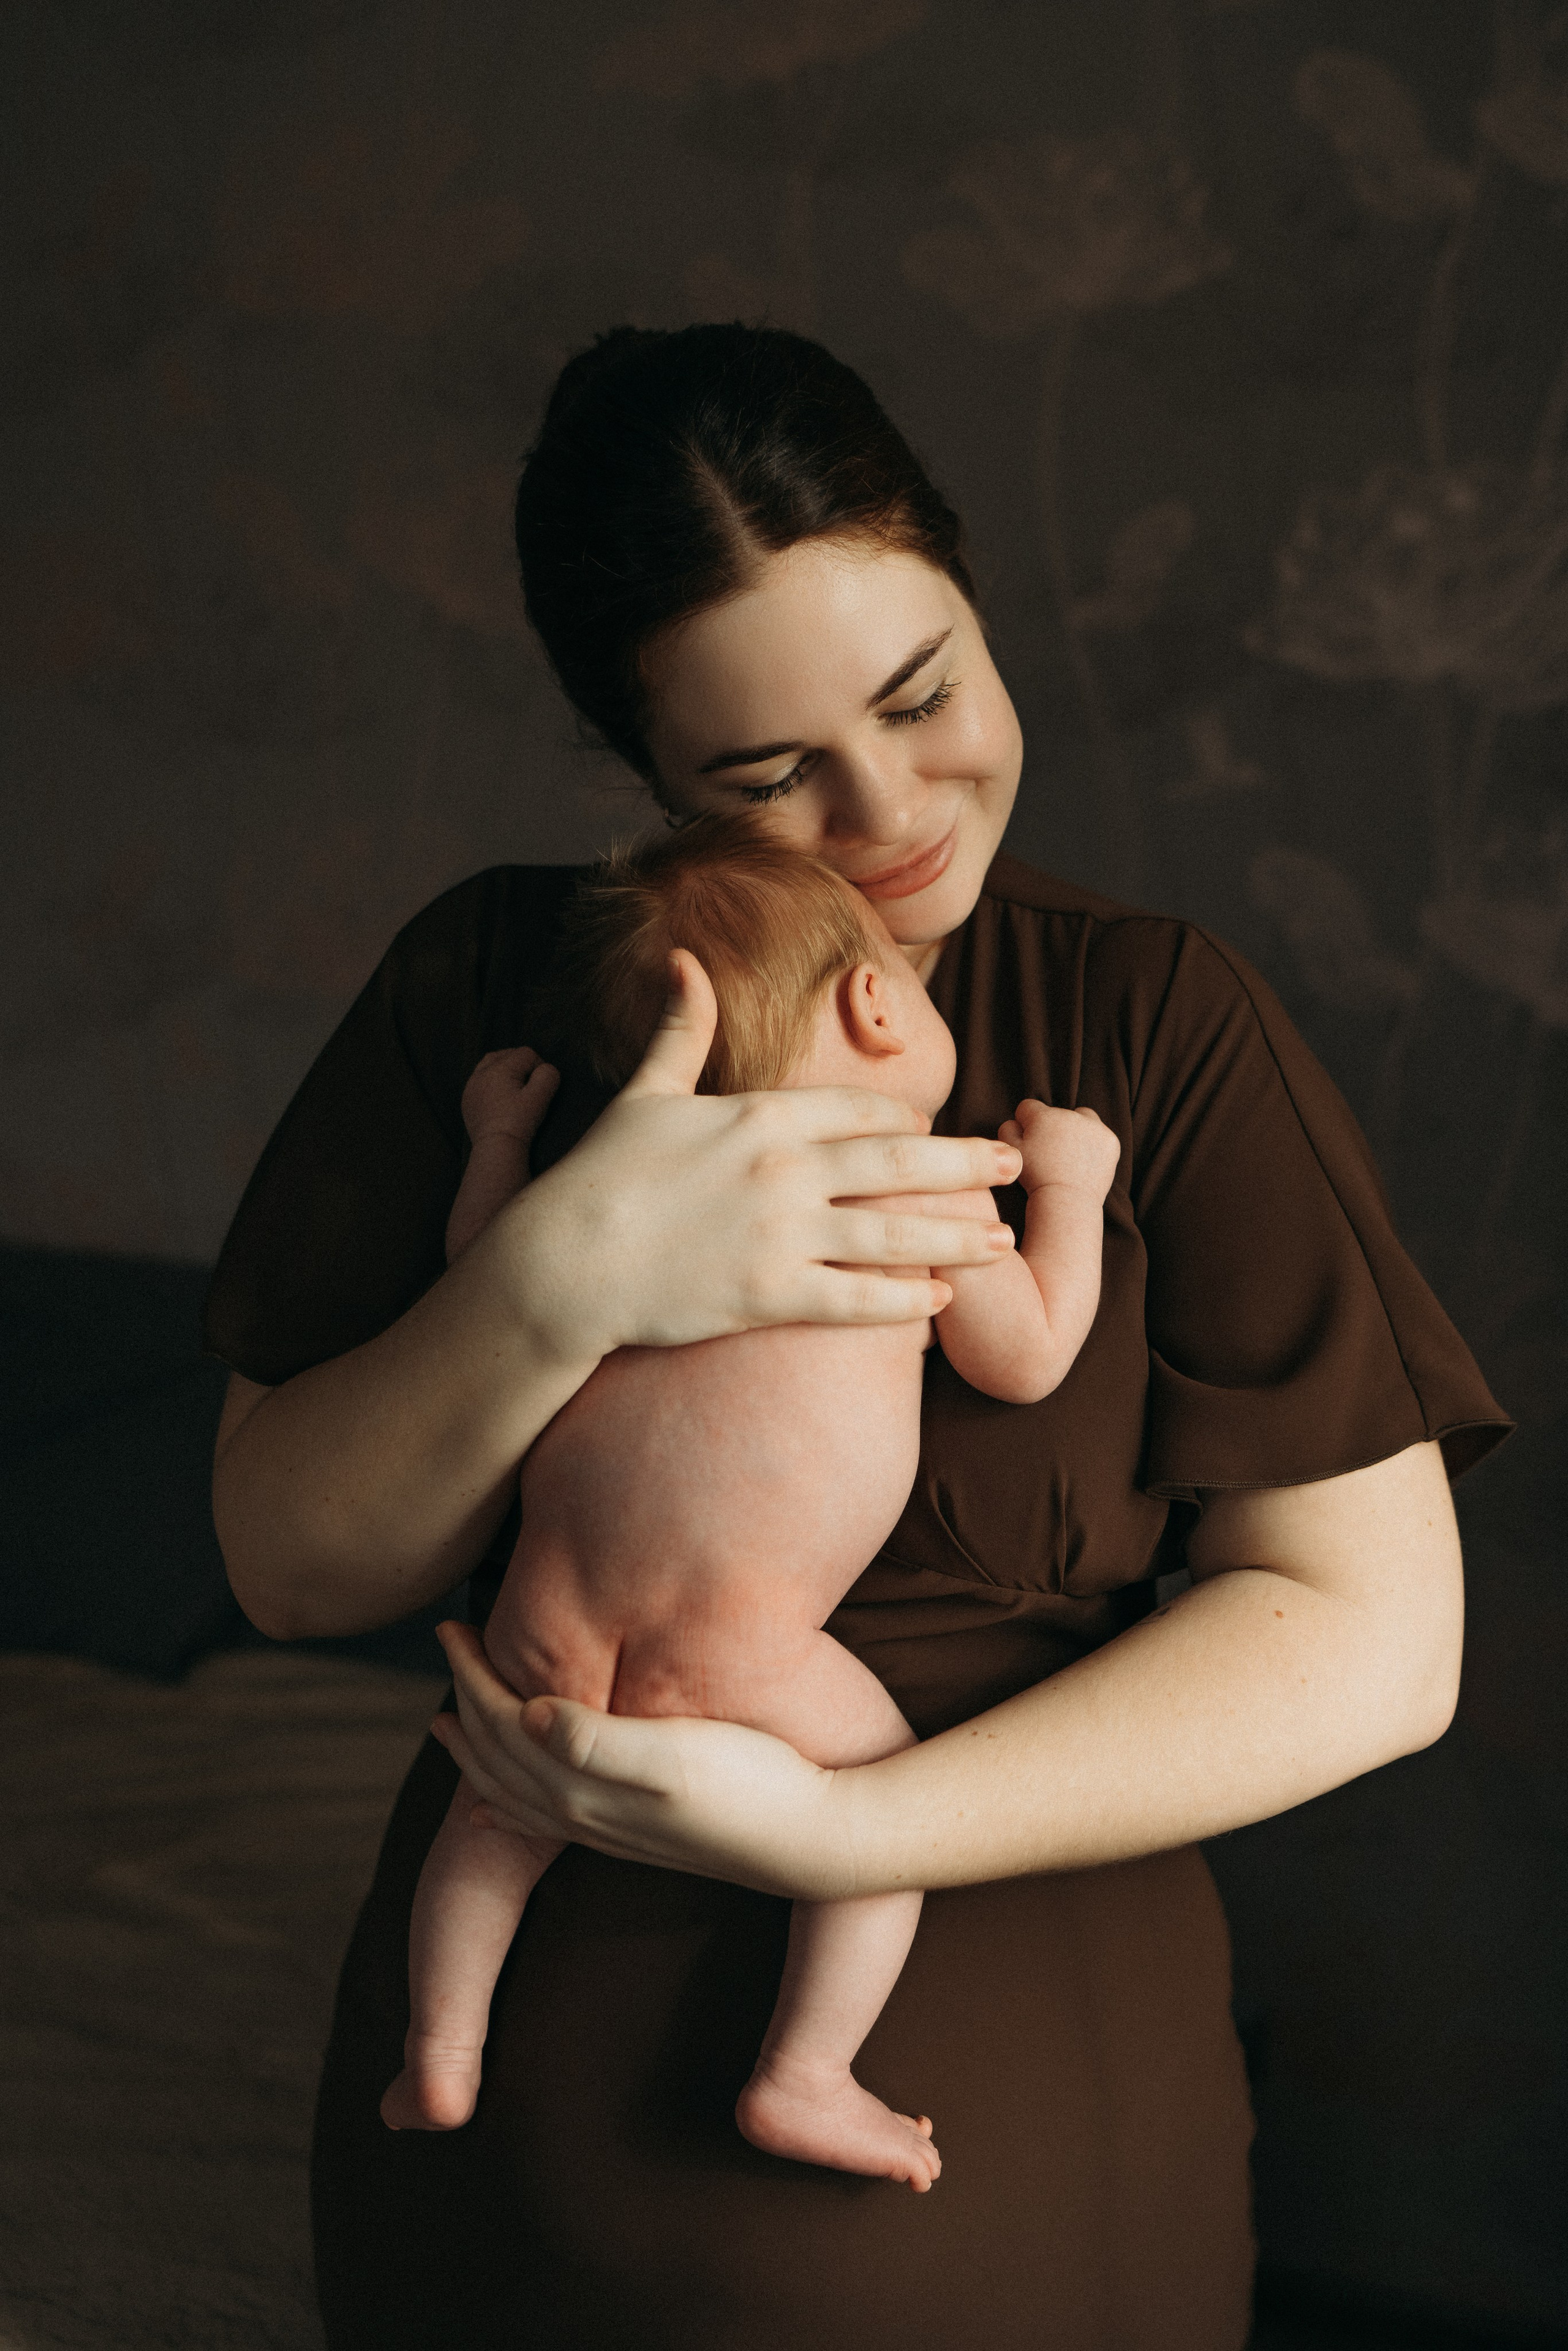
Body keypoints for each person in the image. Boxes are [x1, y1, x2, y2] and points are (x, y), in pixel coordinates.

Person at [205, 323, 1510, 2351]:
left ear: (978, 598)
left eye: (924, 690)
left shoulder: (1144, 1025)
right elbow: (292, 1560)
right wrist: (561, 1281)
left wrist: (843, 1823)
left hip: (1003, 2063)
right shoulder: (500, 989)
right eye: (761, 773)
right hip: (498, 2165)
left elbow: (1373, 1637)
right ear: (647, 776)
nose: (889, 806)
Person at [377, 818, 1120, 2187]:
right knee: (884, 1815)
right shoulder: (914, 1177)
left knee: (493, 1810)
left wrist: (498, 1138)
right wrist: (1066, 1183)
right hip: (745, 1645)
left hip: (551, 1607)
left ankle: (442, 2047)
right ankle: (803, 2073)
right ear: (876, 998)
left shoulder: (626, 1181)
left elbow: (483, 1267)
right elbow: (1023, 1358)